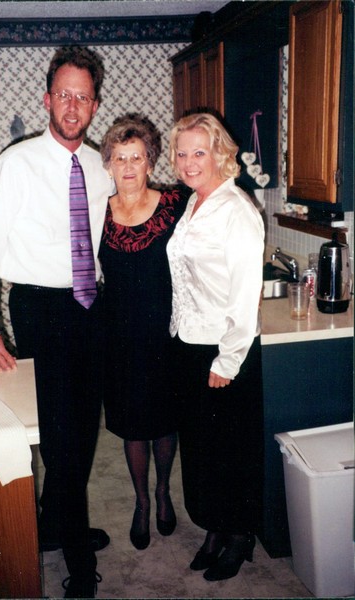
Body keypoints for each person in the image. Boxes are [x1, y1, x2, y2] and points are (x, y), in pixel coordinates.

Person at [0, 46, 115, 599]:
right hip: (40, 310)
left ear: (94, 105)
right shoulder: (15, 164)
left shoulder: (101, 167)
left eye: (83, 97)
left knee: (83, 427)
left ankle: (55, 523)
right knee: (60, 437)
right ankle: (78, 559)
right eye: (64, 95)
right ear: (47, 99)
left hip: (91, 307)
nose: (73, 106)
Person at [166, 112, 265, 581]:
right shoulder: (194, 202)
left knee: (231, 450)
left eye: (199, 152)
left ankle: (240, 534)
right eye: (182, 153)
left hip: (224, 350)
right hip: (189, 341)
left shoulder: (236, 210)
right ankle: (214, 527)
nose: (189, 162)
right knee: (202, 450)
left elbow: (245, 295)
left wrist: (228, 360)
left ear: (220, 153)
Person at [98, 113, 188, 550]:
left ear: (150, 162)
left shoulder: (175, 204)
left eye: (137, 157)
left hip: (164, 336)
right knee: (133, 427)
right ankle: (141, 502)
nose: (129, 166)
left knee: (165, 423)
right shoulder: (97, 213)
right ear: (109, 165)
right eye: (120, 158)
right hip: (118, 338)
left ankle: (163, 490)